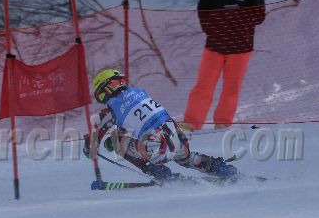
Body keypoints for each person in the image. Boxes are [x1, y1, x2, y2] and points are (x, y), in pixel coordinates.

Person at [85, 68, 237, 182]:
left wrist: (91, 147)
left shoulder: (111, 109)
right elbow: (136, 120)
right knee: (185, 157)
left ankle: (162, 175)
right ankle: (219, 168)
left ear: (106, 90)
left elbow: (95, 139)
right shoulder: (140, 92)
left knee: (117, 142)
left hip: (155, 147)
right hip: (177, 137)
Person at [183, 0, 265, 130]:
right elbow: (202, 12)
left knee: (231, 88)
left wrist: (239, 16)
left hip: (241, 48)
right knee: (203, 86)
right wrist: (211, 29)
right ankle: (191, 122)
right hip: (214, 46)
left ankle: (223, 122)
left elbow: (260, 16)